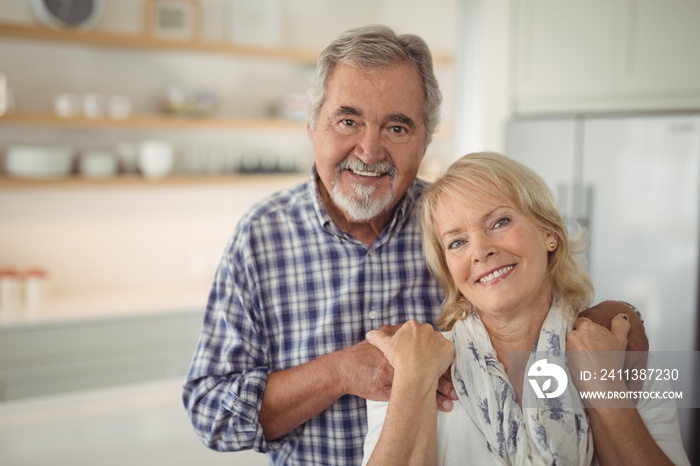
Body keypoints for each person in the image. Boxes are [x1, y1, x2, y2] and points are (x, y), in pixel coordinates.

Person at [182, 25, 646, 465]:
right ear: (312, 126)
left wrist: (608, 317)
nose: (369, 150)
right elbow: (210, 414)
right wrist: (339, 373)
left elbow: (537, 309)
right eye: (348, 120)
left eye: (397, 128)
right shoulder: (261, 235)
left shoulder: (452, 227)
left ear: (424, 139)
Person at [362, 152, 689, 466]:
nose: (481, 251)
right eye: (457, 242)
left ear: (549, 233)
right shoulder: (412, 370)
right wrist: (412, 380)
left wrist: (605, 389)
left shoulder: (622, 358)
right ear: (450, 270)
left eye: (500, 222)